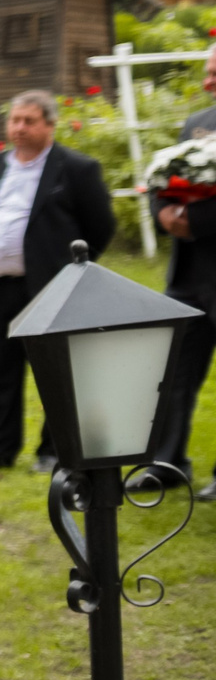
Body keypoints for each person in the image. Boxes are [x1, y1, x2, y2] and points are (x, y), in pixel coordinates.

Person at [0, 90, 116, 475]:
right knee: (3, 373)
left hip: (50, 288)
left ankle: (53, 451)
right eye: (14, 120)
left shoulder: (76, 168)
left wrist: (73, 270)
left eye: (29, 121)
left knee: (54, 373)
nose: (19, 128)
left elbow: (102, 225)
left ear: (50, 124)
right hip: (0, 287)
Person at [151, 47, 216, 497]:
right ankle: (166, 463)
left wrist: (195, 221)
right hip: (188, 274)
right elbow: (167, 176)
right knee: (173, 371)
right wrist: (164, 213)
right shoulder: (197, 121)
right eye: (208, 72)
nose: (208, 80)